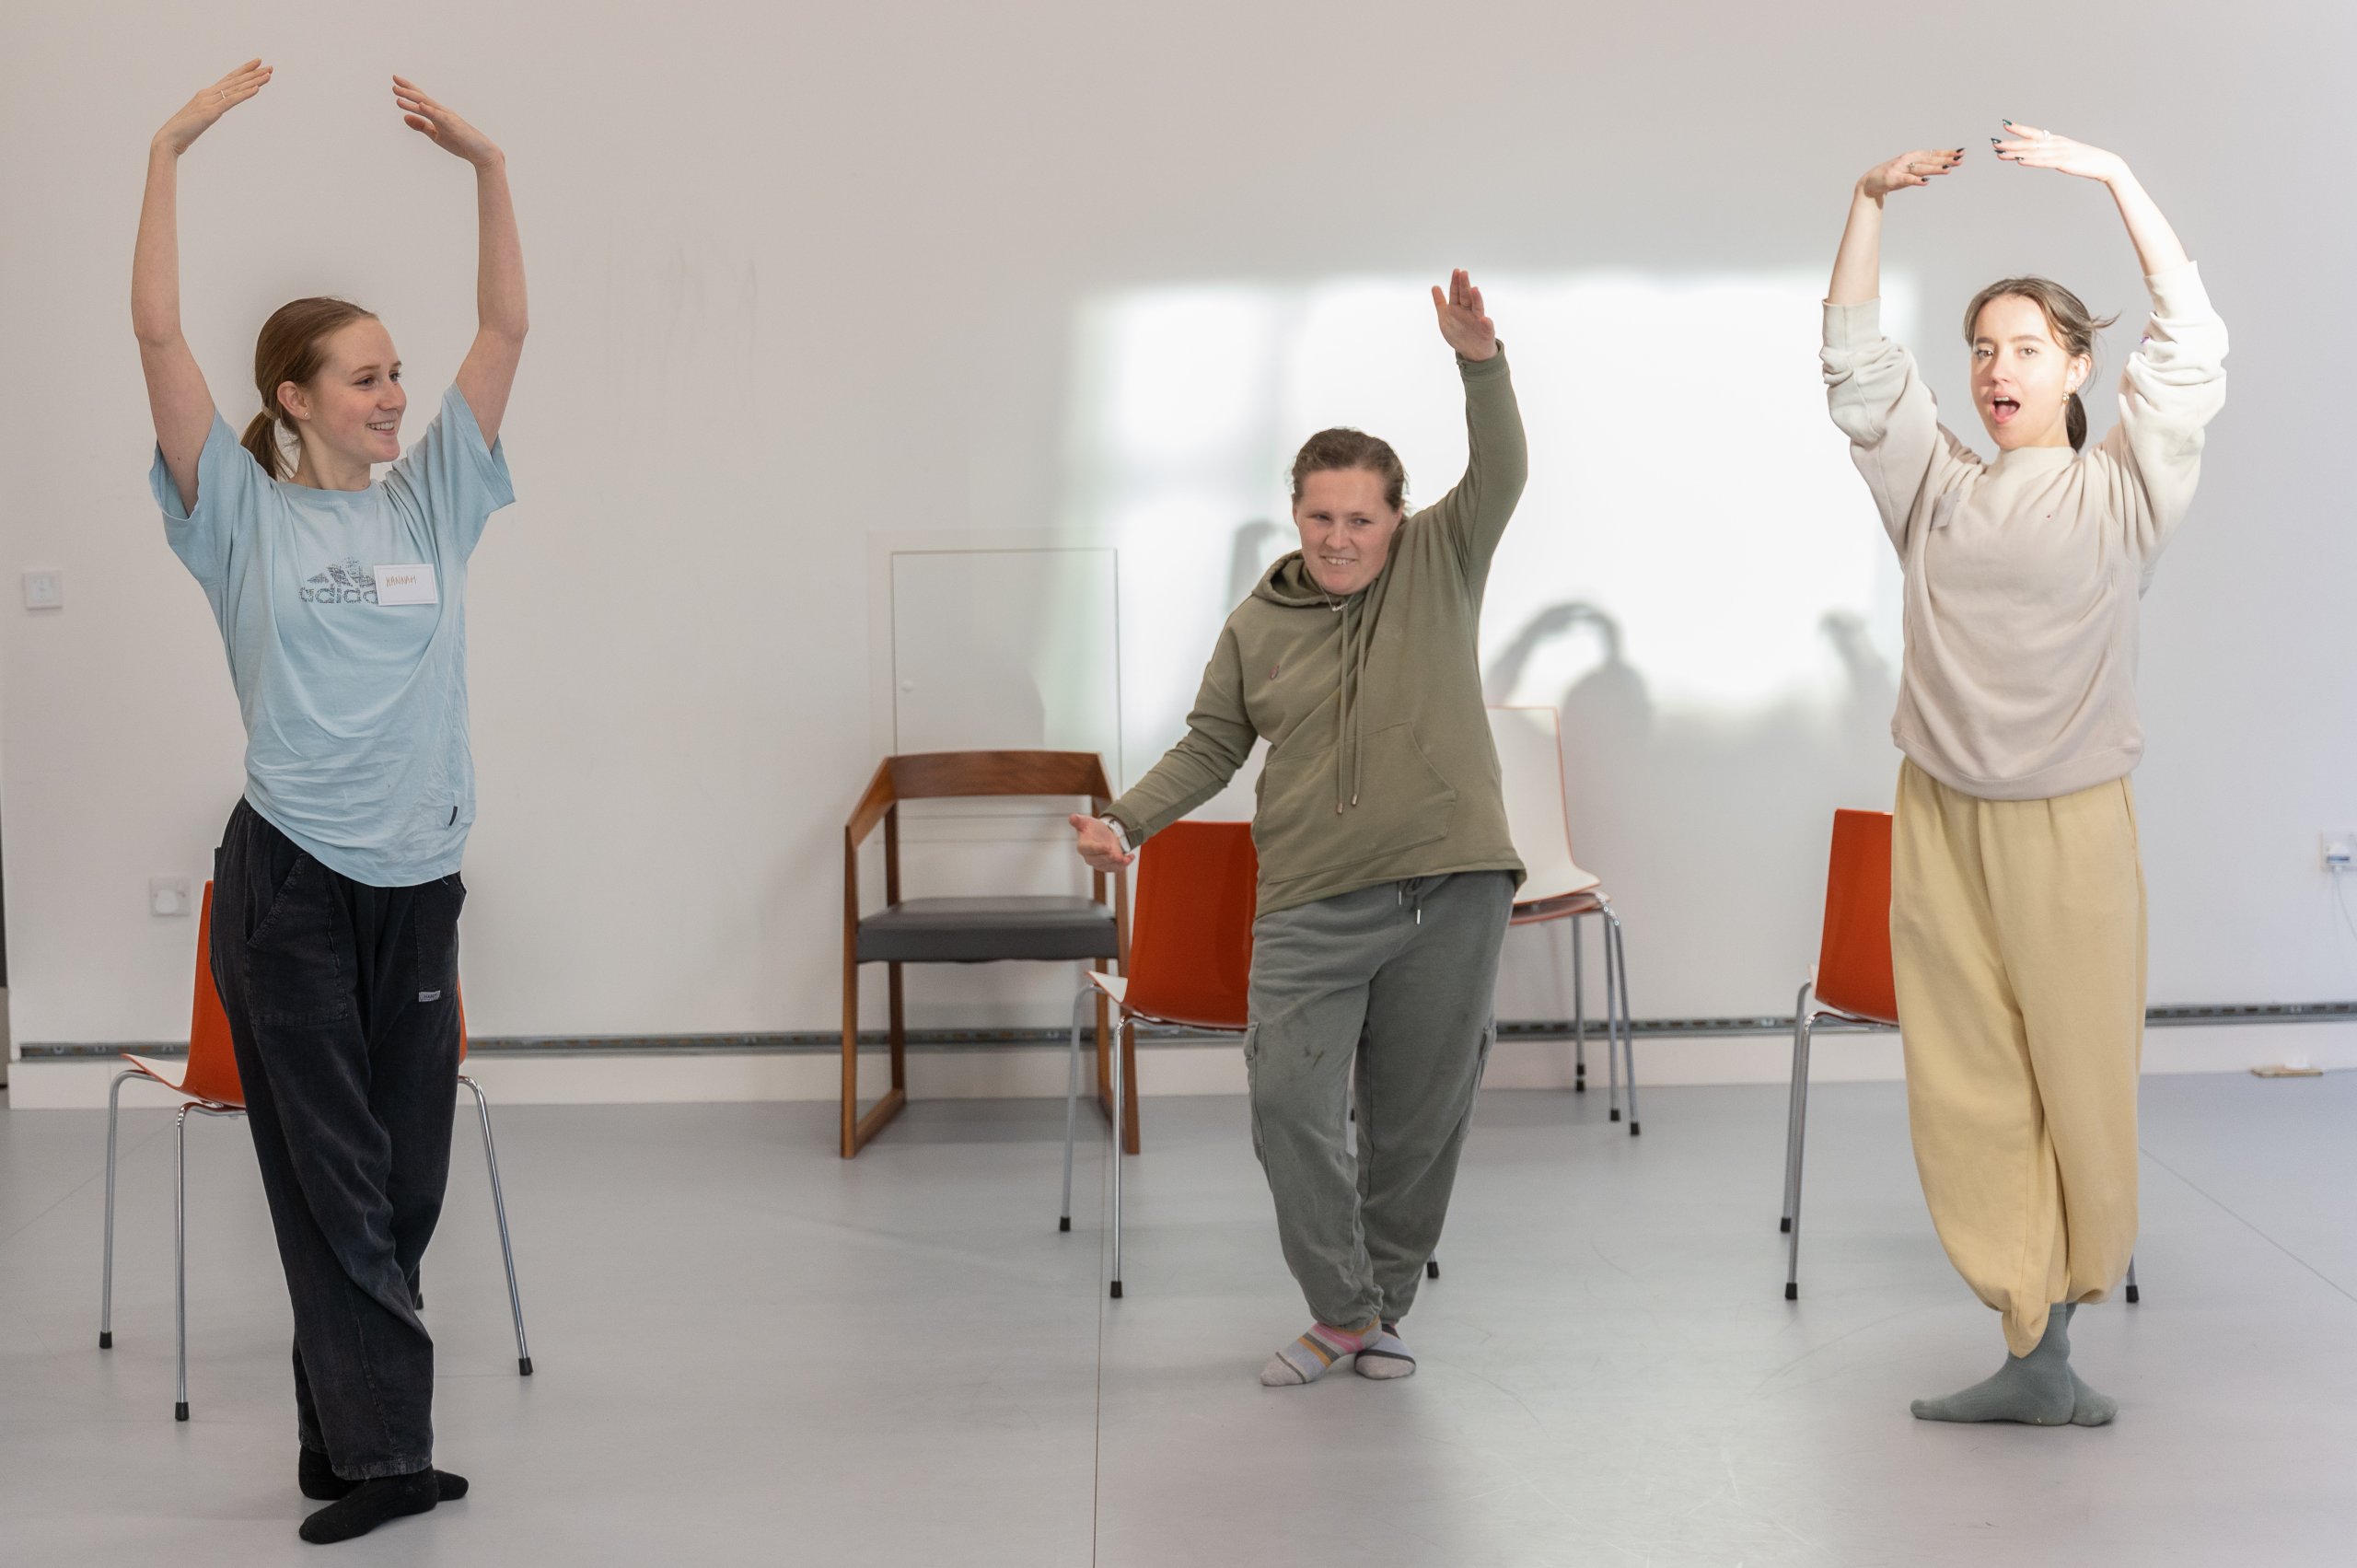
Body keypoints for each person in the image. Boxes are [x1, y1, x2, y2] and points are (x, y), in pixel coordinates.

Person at [134, 60, 527, 1539]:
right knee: (334, 1179)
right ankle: (383, 1459)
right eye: (362, 375)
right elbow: (158, 328)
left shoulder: (433, 497)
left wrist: (489, 166)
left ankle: (337, 1429)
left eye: (393, 371)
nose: (393, 392)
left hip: (420, 880)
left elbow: (505, 327)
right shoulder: (236, 516)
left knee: (402, 1182)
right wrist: (171, 146)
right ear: (291, 399)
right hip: (292, 881)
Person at [1821, 123, 2226, 1425]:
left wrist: (2116, 178)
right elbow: (1854, 363)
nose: (1998, 370)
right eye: (1983, 348)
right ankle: (2026, 1342)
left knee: (2080, 1073)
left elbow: (2194, 344)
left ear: (2077, 369)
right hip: (1942, 815)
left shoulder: (2121, 491)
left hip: (2071, 827)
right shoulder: (1931, 490)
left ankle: (2062, 1327)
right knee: (1968, 1079)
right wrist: (1866, 200)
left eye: (2027, 349)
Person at [1071, 273, 1528, 1386]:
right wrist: (1126, 820)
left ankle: (1379, 1308)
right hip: (1315, 897)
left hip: (1451, 887)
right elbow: (1211, 743)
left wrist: (1479, 360)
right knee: (1288, 1102)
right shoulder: (1256, 623)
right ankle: (1342, 1305)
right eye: (1321, 516)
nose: (1339, 537)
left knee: (1419, 1119)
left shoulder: (1440, 559)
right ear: (1297, 514)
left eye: (1359, 517)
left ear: (1396, 518)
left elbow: (1502, 468)